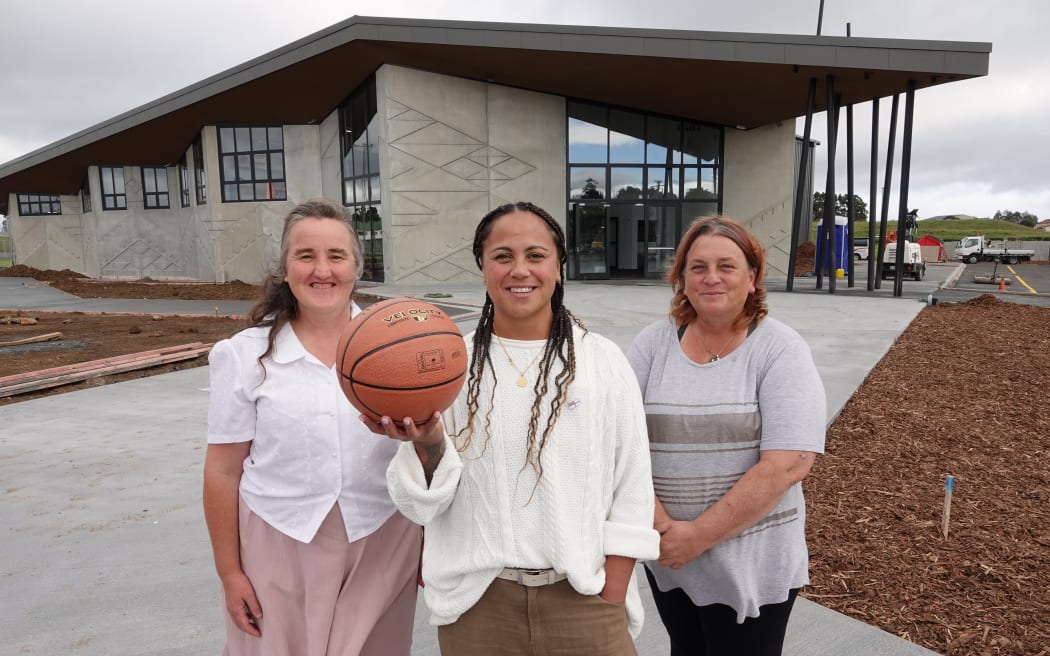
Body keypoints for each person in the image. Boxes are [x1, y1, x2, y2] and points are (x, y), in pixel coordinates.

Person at [370, 201, 659, 655]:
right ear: (483, 268)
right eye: (503, 256)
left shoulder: (602, 360)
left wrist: (613, 589)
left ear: (559, 267)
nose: (519, 269)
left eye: (536, 255)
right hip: (480, 605)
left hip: (583, 597)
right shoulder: (447, 366)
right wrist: (428, 444)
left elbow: (633, 485)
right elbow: (423, 503)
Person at [202, 199, 421, 656]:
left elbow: (431, 452)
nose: (322, 270)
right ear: (285, 267)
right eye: (306, 256)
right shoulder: (244, 355)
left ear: (357, 267)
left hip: (382, 538)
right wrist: (230, 573)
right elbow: (223, 472)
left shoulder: (400, 349)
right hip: (279, 539)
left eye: (336, 256)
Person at [625, 216, 826, 656]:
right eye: (697, 267)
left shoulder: (779, 349)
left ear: (752, 278)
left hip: (752, 565)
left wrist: (697, 535)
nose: (711, 277)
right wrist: (665, 530)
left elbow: (788, 463)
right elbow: (620, 444)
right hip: (671, 557)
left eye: (726, 266)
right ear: (680, 279)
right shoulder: (652, 345)